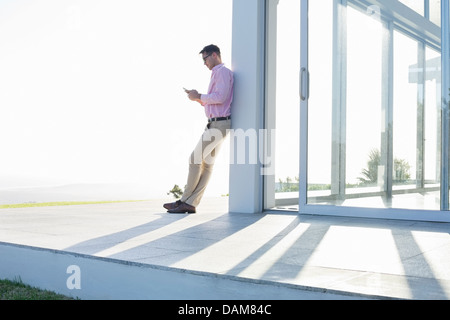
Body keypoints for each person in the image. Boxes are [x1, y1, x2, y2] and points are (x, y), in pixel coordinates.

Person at [164, 44, 234, 214]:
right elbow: (216, 100)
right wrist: (197, 99)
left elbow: (221, 97)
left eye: (206, 58)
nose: (204, 63)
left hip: (219, 124)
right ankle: (190, 202)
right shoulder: (217, 73)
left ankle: (185, 200)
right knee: (207, 165)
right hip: (216, 123)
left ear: (215, 55)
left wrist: (200, 96)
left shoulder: (223, 72)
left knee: (194, 159)